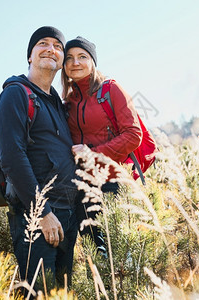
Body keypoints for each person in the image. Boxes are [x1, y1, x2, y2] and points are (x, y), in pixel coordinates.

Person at [0, 26, 80, 290]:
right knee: (39, 293)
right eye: (43, 43)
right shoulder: (16, 93)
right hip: (36, 218)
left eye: (57, 46)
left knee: (62, 294)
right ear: (30, 55)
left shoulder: (57, 102)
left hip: (66, 216)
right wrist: (41, 213)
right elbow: (12, 157)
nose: (51, 49)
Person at [61, 36, 142, 254]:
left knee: (120, 256)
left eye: (82, 57)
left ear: (92, 61)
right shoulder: (68, 101)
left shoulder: (110, 89)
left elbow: (134, 134)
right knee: (95, 257)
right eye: (69, 58)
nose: (75, 62)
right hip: (82, 189)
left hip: (112, 183)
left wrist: (92, 154)